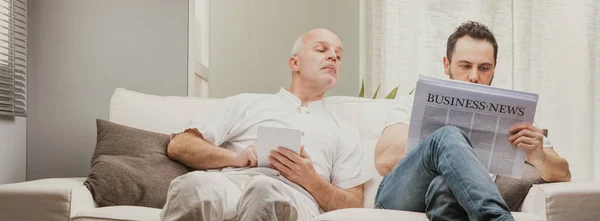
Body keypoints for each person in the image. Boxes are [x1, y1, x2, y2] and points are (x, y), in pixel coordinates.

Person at [161, 28, 370, 221]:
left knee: (264, 190)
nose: (333, 56)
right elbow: (180, 144)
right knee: (193, 185)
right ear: (295, 63)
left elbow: (353, 205)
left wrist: (312, 180)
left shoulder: (345, 131)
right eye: (322, 49)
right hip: (233, 184)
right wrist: (237, 158)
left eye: (339, 55)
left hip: (296, 197)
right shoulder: (246, 103)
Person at [373, 21, 571, 221]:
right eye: (465, 66)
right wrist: (441, 142)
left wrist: (539, 155)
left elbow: (563, 173)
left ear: (494, 68)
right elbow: (383, 161)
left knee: (446, 185)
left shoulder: (514, 115)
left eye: (484, 68)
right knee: (448, 134)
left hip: (456, 200)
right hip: (401, 196)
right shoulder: (413, 102)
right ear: (446, 64)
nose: (474, 76)